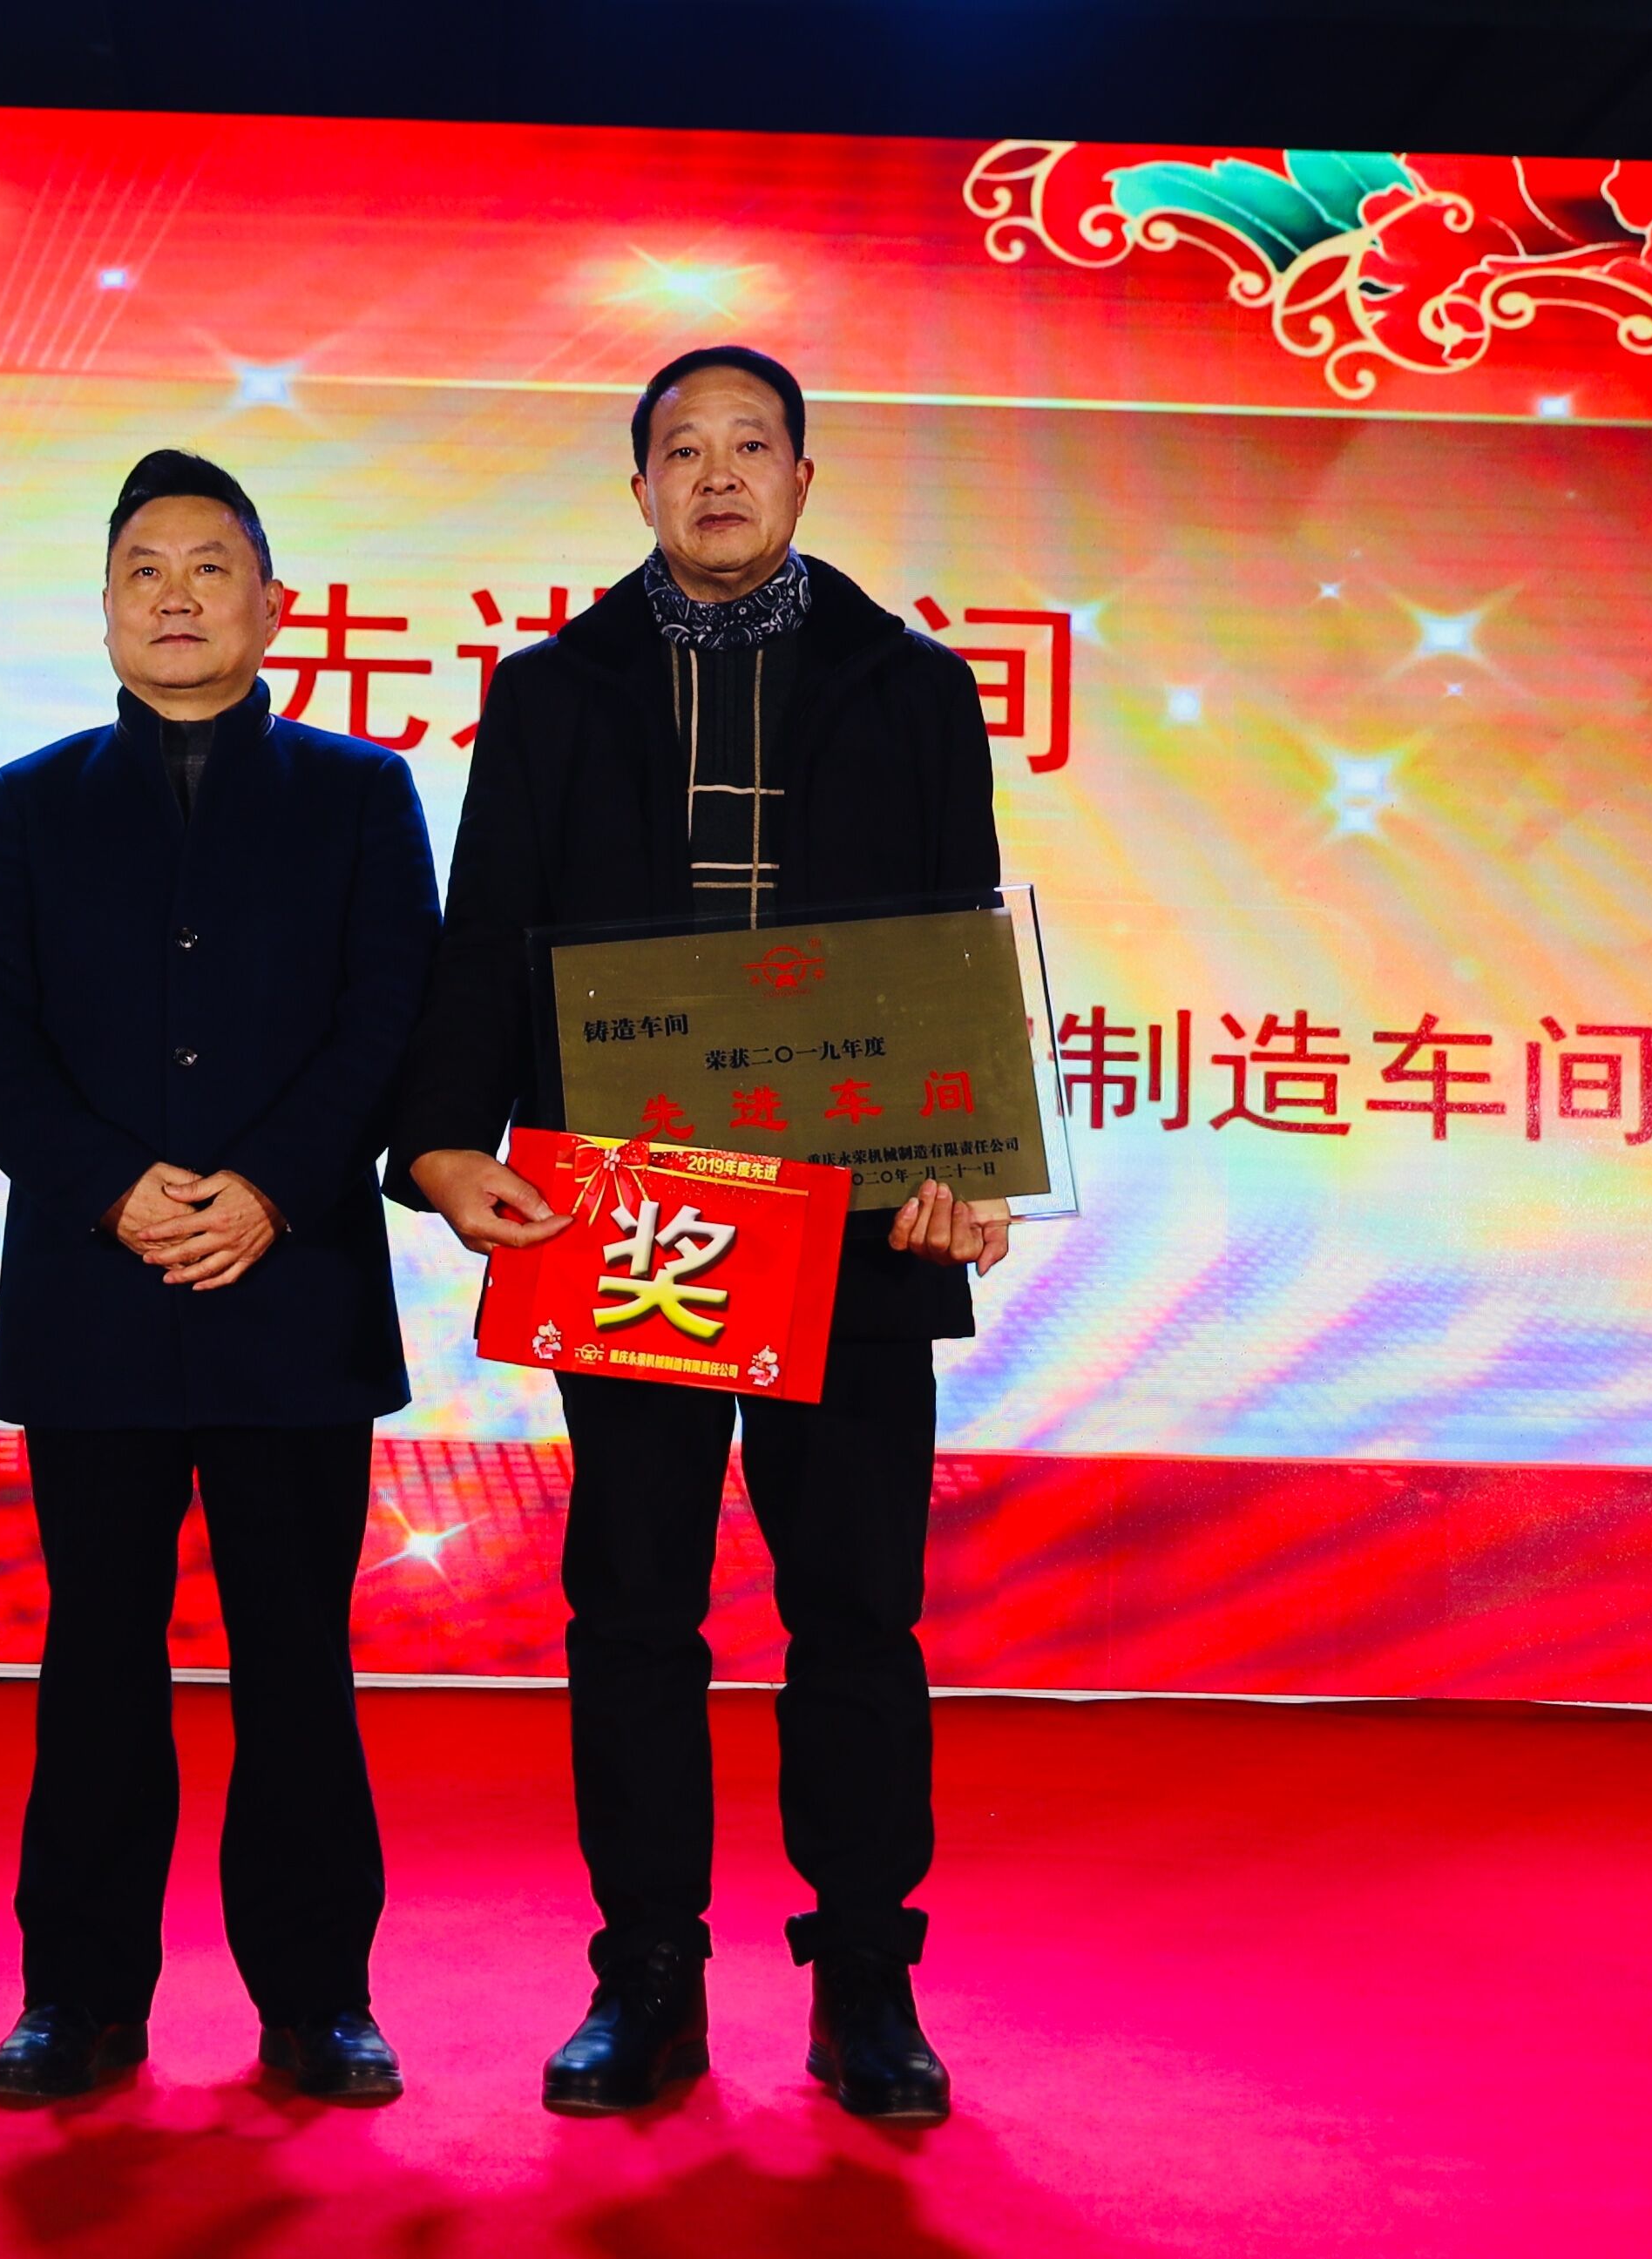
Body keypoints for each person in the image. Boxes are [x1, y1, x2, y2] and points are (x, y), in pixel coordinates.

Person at [390, 345, 1006, 2120]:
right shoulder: (553, 690)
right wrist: (440, 1142)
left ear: (803, 480)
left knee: (856, 1610)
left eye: (752, 446)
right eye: (683, 449)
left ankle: (867, 1970)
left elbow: (954, 925)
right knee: (633, 1606)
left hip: (857, 1210)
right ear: (638, 485)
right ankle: (647, 1969)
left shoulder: (909, 683)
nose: (718, 475)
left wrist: (969, 1157)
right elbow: (487, 928)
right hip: (630, 1211)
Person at [0, 450, 440, 2105]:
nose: (175, 597)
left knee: (298, 1657)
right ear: (101, 608)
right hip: (94, 1295)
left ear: (273, 605)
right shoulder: (28, 801)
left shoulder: (361, 794)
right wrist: (112, 1189)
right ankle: (78, 1995)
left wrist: (273, 1189)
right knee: (98, 1654)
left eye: (210, 567)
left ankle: (319, 1996)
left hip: (295, 1293)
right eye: (142, 569)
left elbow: (390, 1017)